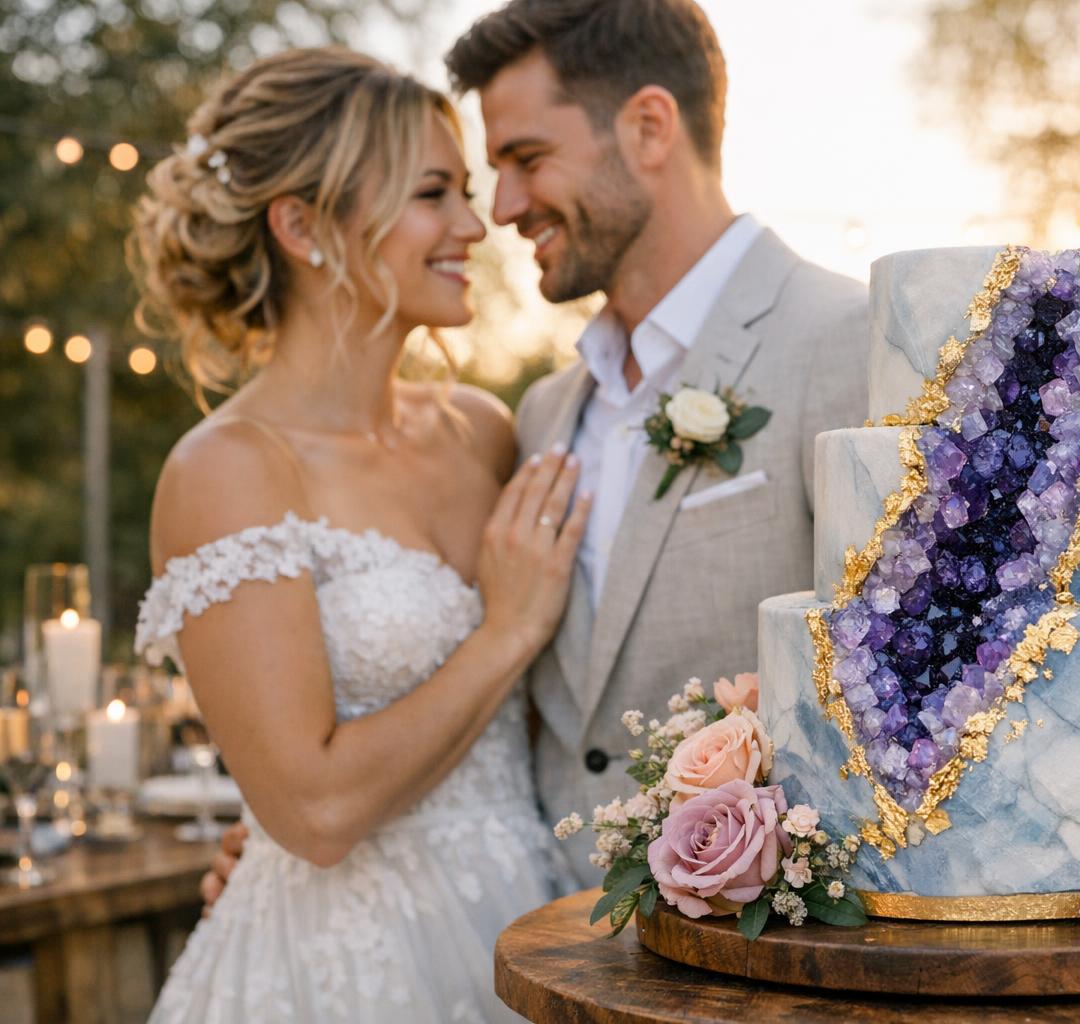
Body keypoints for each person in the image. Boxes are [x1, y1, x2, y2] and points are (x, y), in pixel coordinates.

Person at [202, 0, 872, 903]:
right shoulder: (542, 416)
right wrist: (284, 826)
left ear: (647, 128)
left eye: (524, 160)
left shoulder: (853, 345)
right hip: (531, 944)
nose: (502, 211)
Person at [131, 47, 588, 1020]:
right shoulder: (227, 470)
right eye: (433, 194)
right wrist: (504, 631)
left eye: (463, 191)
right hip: (340, 966)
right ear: (301, 225)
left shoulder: (485, 430)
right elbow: (318, 810)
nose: (475, 225)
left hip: (535, 920)